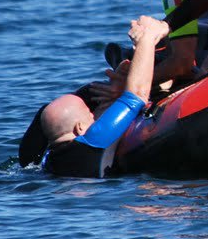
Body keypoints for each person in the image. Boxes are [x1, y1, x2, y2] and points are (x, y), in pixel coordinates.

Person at [38, 15, 170, 177]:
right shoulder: (92, 141)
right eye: (90, 114)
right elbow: (137, 96)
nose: (95, 115)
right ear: (79, 128)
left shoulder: (48, 158)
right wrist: (147, 37)